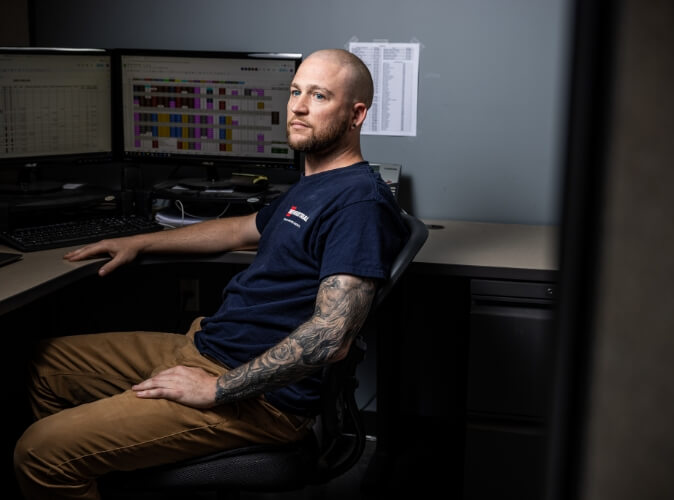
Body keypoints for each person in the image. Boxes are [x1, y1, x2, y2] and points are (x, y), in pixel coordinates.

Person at [14, 48, 409, 499]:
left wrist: (217, 389)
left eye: (319, 96)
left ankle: (76, 464)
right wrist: (140, 241)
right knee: (44, 365)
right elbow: (241, 228)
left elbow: (330, 338)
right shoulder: (315, 185)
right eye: (296, 91)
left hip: (257, 399)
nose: (297, 106)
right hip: (206, 346)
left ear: (356, 114)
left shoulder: (359, 203)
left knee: (39, 452)